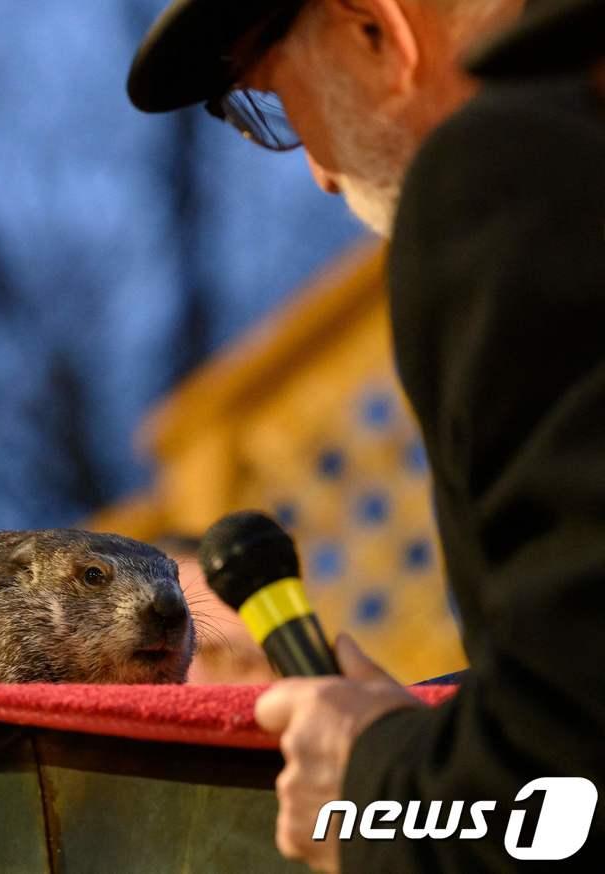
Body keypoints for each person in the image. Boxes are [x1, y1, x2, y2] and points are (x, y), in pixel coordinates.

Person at [128, 0, 605, 870]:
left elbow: (563, 783)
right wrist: (434, 731)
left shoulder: (509, 173)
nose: (315, 171)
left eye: (271, 100)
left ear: (372, 30)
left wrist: (374, 785)